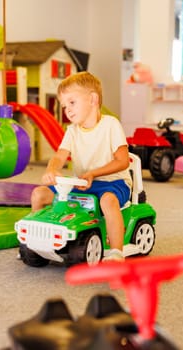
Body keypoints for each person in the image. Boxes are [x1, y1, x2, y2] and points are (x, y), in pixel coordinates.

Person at [30, 71, 131, 262]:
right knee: (39, 194)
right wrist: (51, 169)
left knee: (108, 201)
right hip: (82, 184)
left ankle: (117, 252)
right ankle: (37, 243)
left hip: (113, 182)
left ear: (93, 99)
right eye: (64, 105)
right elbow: (59, 156)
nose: (67, 109)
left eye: (72, 102)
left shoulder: (110, 125)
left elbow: (122, 161)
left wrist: (93, 173)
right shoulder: (72, 130)